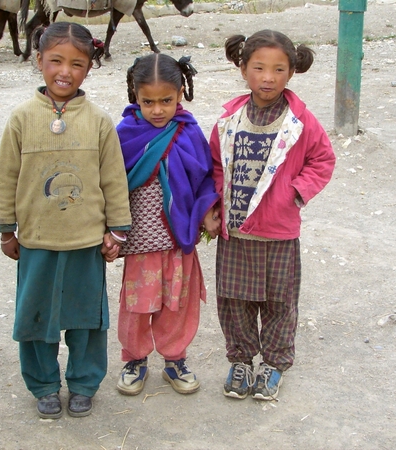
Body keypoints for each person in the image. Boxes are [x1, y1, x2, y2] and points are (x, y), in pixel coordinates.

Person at [0, 22, 131, 419]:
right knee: (36, 319)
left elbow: (113, 178)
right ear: (39, 61)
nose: (65, 71)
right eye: (55, 60)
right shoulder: (21, 119)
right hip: (37, 241)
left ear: (89, 67)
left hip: (85, 242)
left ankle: (85, 382)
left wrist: (117, 230)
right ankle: (43, 385)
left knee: (88, 321)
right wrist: (7, 229)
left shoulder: (99, 121)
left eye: (77, 63)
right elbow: (6, 177)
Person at [209, 30, 336, 401]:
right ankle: (241, 361)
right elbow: (215, 165)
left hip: (279, 232)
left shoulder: (301, 121)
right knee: (234, 300)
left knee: (280, 302)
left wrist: (294, 193)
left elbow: (323, 159)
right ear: (243, 68)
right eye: (259, 68)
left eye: (279, 69)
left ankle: (274, 364)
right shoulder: (228, 120)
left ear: (291, 72)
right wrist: (215, 206)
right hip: (237, 232)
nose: (268, 77)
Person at [114, 53, 221, 396]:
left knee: (178, 301)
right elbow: (110, 182)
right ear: (135, 96)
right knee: (137, 303)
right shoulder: (125, 134)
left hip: (178, 236)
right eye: (148, 102)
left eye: (166, 101)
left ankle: (175, 358)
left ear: (180, 95)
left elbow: (205, 177)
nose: (157, 110)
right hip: (140, 240)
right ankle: (135, 358)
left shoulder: (188, 131)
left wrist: (206, 211)